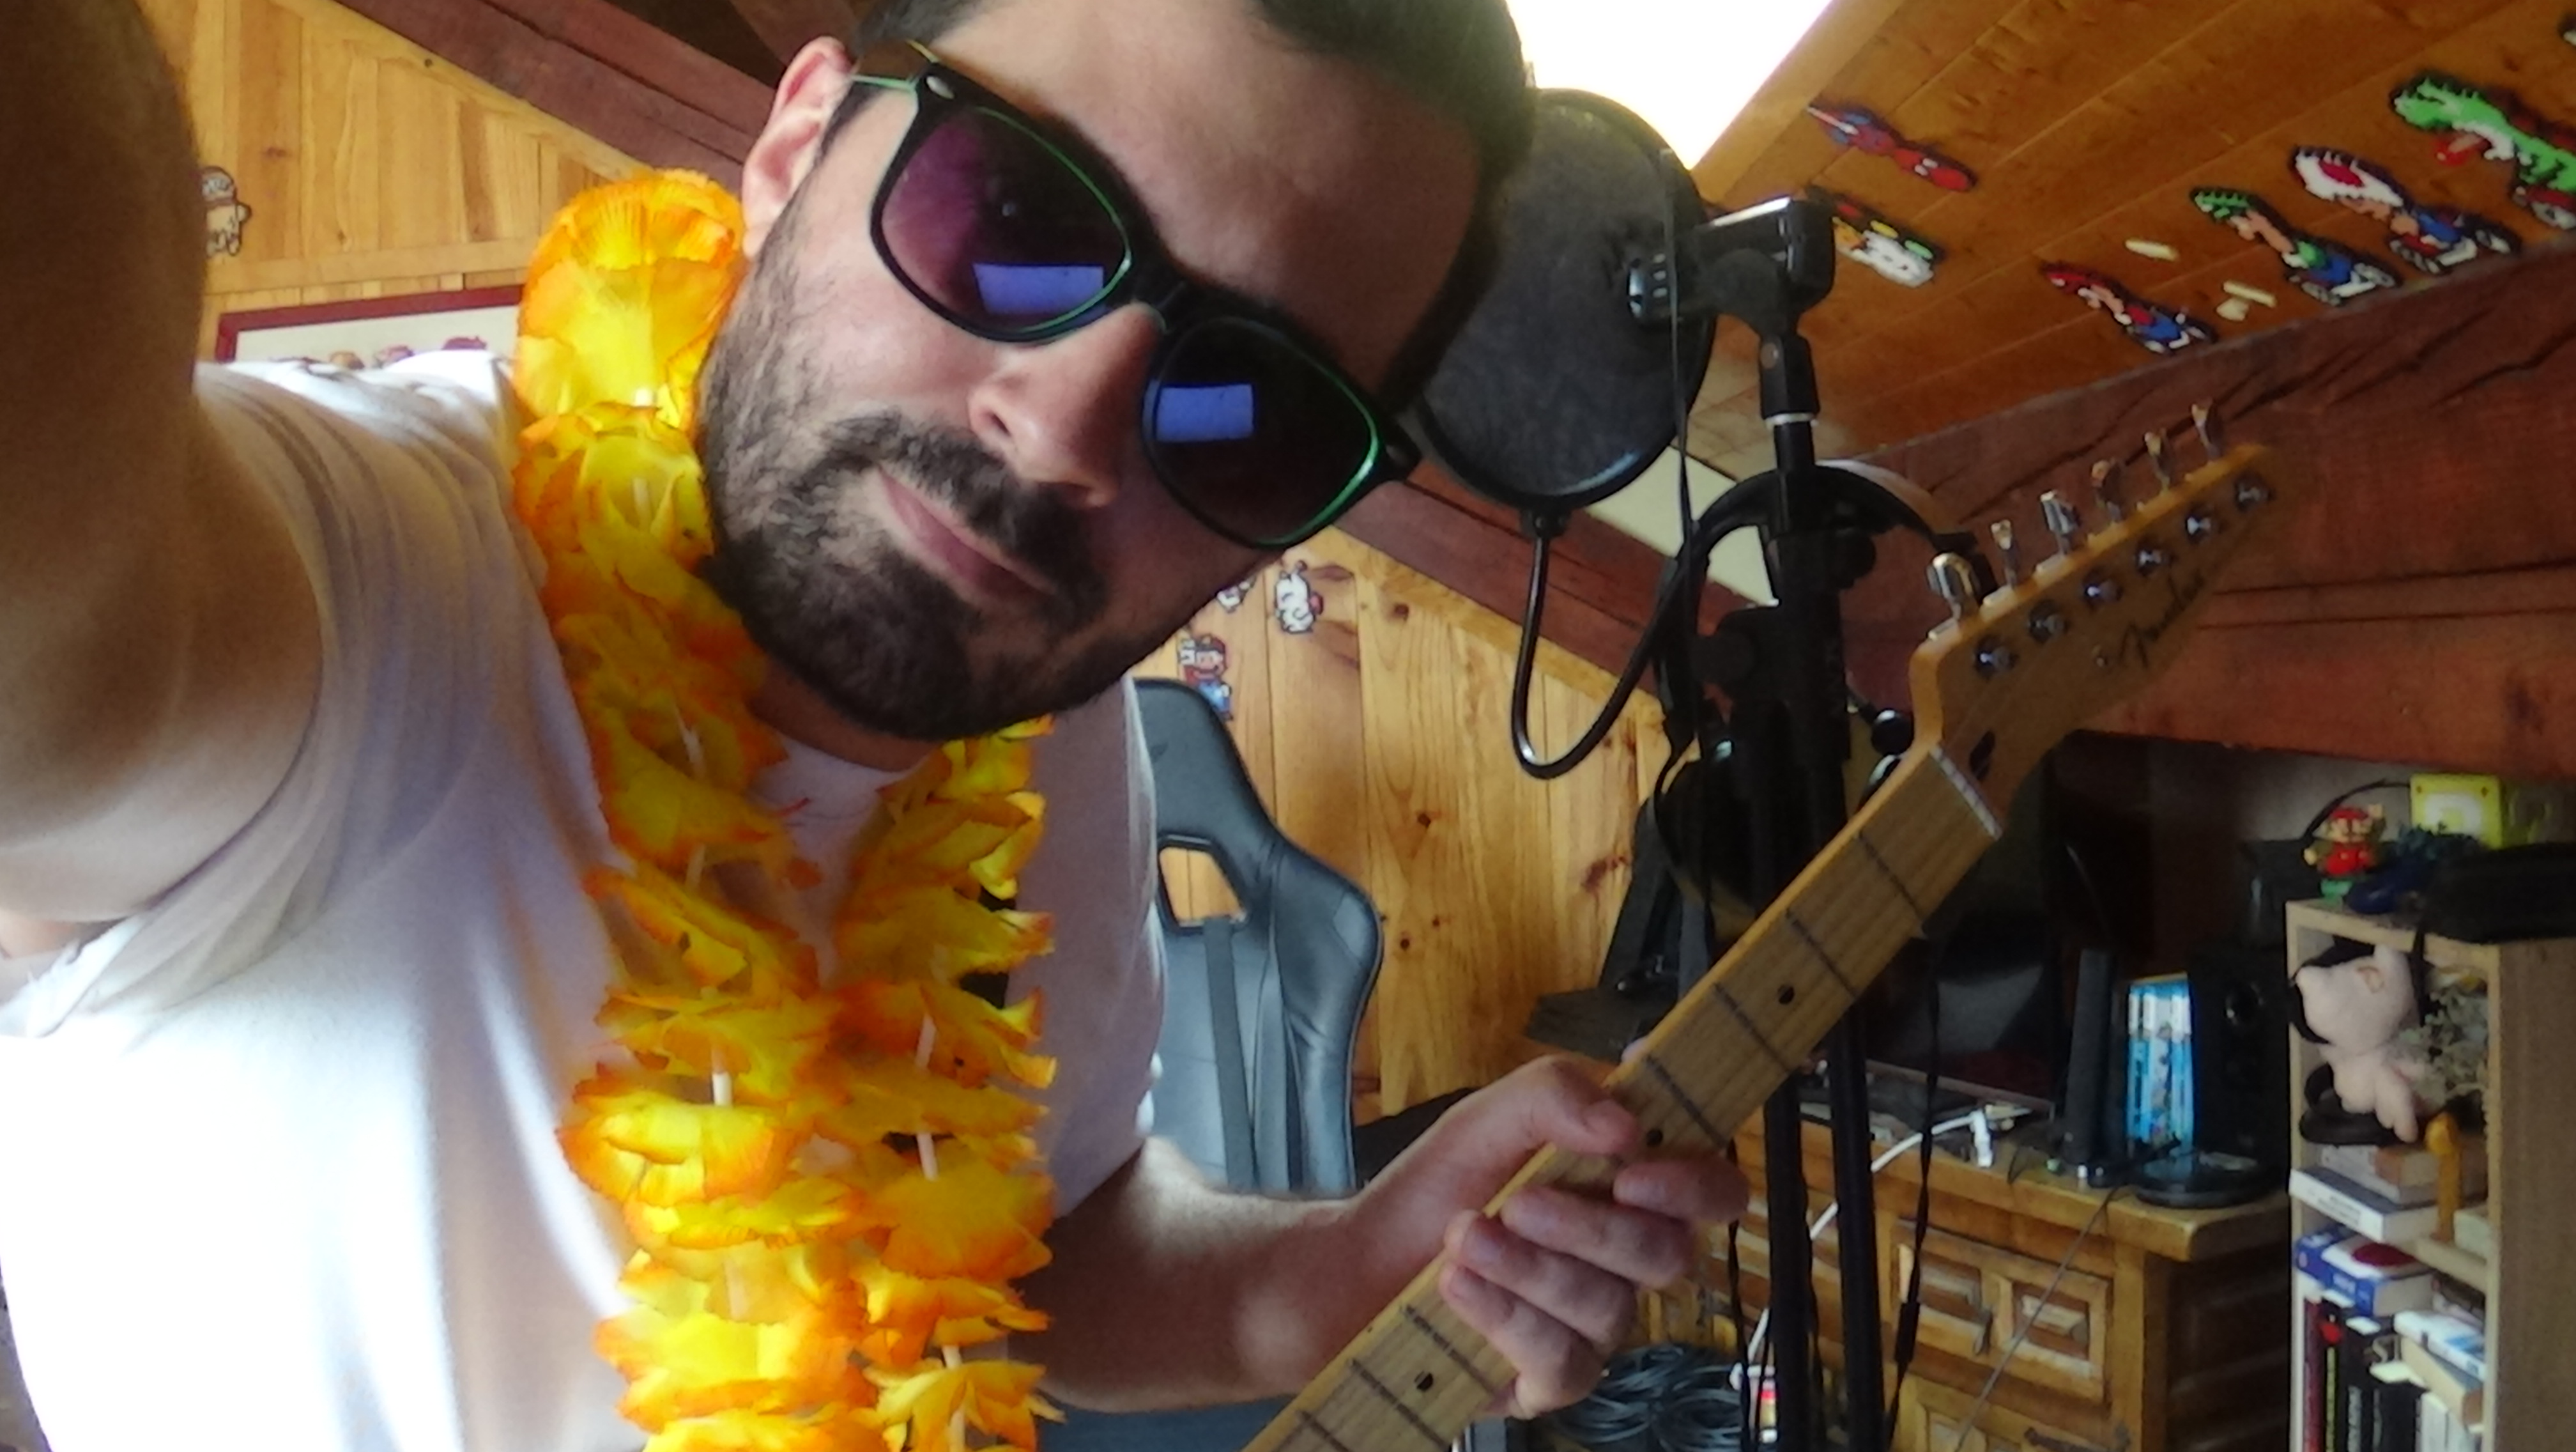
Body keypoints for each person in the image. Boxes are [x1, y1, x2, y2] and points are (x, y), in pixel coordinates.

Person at [0, 0, 1747, 1448]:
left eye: (1250, 405)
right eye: (1019, 215)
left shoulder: (1043, 719)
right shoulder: (341, 613)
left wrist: (1338, 1272)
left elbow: (1052, 1240)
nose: (1065, 432)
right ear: (795, 148)